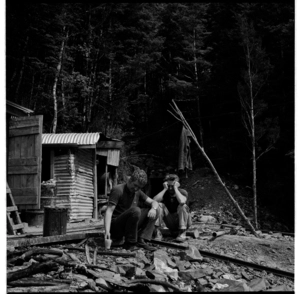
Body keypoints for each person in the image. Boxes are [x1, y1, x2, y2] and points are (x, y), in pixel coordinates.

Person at [104, 168, 159, 251]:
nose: (136, 189)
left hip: (129, 225)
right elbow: (109, 211)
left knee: (156, 210)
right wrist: (107, 231)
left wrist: (154, 208)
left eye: (139, 187)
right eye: (135, 185)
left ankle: (141, 239)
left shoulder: (137, 191)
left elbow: (154, 202)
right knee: (136, 210)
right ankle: (130, 243)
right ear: (130, 180)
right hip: (116, 225)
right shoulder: (118, 190)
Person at [153, 174, 192, 242]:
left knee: (182, 206)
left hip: (184, 221)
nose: (170, 188)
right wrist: (165, 189)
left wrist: (176, 188)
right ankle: (157, 232)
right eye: (168, 186)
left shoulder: (182, 192)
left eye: (172, 186)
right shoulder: (165, 192)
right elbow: (154, 200)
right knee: (159, 204)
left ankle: (182, 232)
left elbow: (182, 201)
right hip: (171, 221)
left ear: (177, 184)